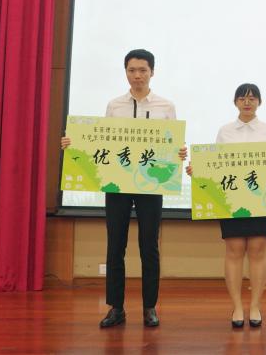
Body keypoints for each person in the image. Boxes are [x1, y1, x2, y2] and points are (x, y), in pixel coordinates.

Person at [60, 48, 181, 328]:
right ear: (125, 72)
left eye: (143, 70)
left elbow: (172, 143)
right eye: (132, 70)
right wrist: (74, 143)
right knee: (115, 245)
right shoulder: (114, 105)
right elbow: (101, 141)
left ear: (152, 72)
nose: (137, 75)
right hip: (117, 183)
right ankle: (116, 308)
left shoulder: (166, 106)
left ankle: (150, 307)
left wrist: (179, 152)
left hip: (151, 183)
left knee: (149, 246)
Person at [184, 83, 266, 329]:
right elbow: (215, 164)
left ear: (259, 102)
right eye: (242, 98)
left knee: (258, 250)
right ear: (235, 102)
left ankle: (255, 306)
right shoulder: (225, 131)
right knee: (234, 250)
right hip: (232, 199)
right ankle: (237, 306)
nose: (247, 102)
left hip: (261, 200)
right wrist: (198, 169)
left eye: (252, 98)